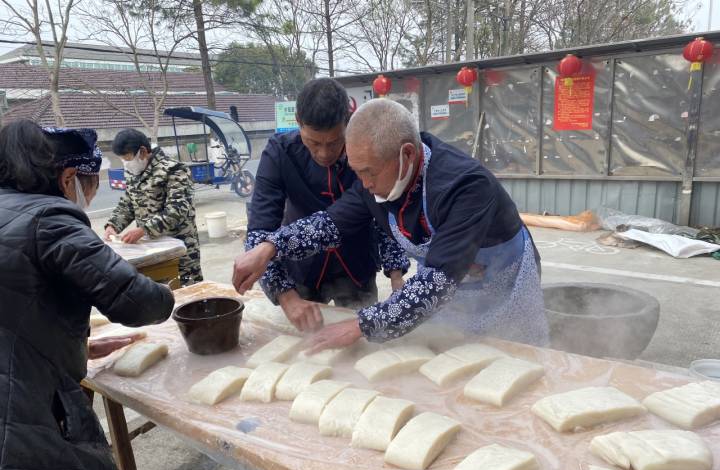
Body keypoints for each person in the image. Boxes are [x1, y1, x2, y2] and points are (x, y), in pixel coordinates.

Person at [233, 98, 548, 351]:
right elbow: (329, 223)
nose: (364, 183)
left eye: (369, 172)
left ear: (407, 155)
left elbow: (434, 285)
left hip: (503, 287)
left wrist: (360, 325)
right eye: (357, 172)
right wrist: (270, 247)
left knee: (515, 362)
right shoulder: (376, 180)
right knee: (453, 360)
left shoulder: (465, 186)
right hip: (454, 291)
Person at [0, 120, 175, 470]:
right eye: (91, 186)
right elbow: (140, 301)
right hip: (20, 424)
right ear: (67, 179)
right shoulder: (50, 216)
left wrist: (74, 342)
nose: (90, 197)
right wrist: (173, 298)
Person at [247, 78, 409, 332]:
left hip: (356, 265)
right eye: (313, 142)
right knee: (306, 347)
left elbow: (384, 209)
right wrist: (286, 297)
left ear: (348, 121)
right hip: (302, 272)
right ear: (298, 121)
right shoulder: (279, 153)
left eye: (334, 142)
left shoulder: (367, 151)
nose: (324, 153)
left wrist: (396, 273)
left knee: (364, 343)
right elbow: (259, 233)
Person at [104, 128, 203, 285]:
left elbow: (177, 210)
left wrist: (144, 229)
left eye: (128, 158)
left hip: (181, 250)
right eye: (123, 159)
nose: (126, 163)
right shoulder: (133, 172)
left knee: (187, 294)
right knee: (156, 294)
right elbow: (129, 202)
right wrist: (113, 225)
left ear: (142, 151)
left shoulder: (174, 170)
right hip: (150, 248)